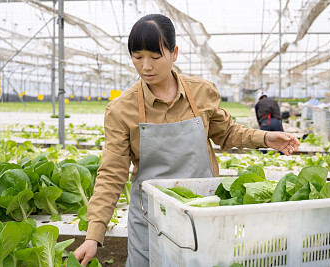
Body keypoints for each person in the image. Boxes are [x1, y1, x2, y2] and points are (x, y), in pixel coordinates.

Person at [73, 14, 300, 266]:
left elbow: (226, 132)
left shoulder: (202, 92)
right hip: (151, 220)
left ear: (174, 53)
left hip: (201, 213)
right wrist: (94, 234)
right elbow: (111, 174)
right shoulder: (121, 110)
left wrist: (266, 137)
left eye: (155, 56)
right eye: (137, 57)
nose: (145, 66)